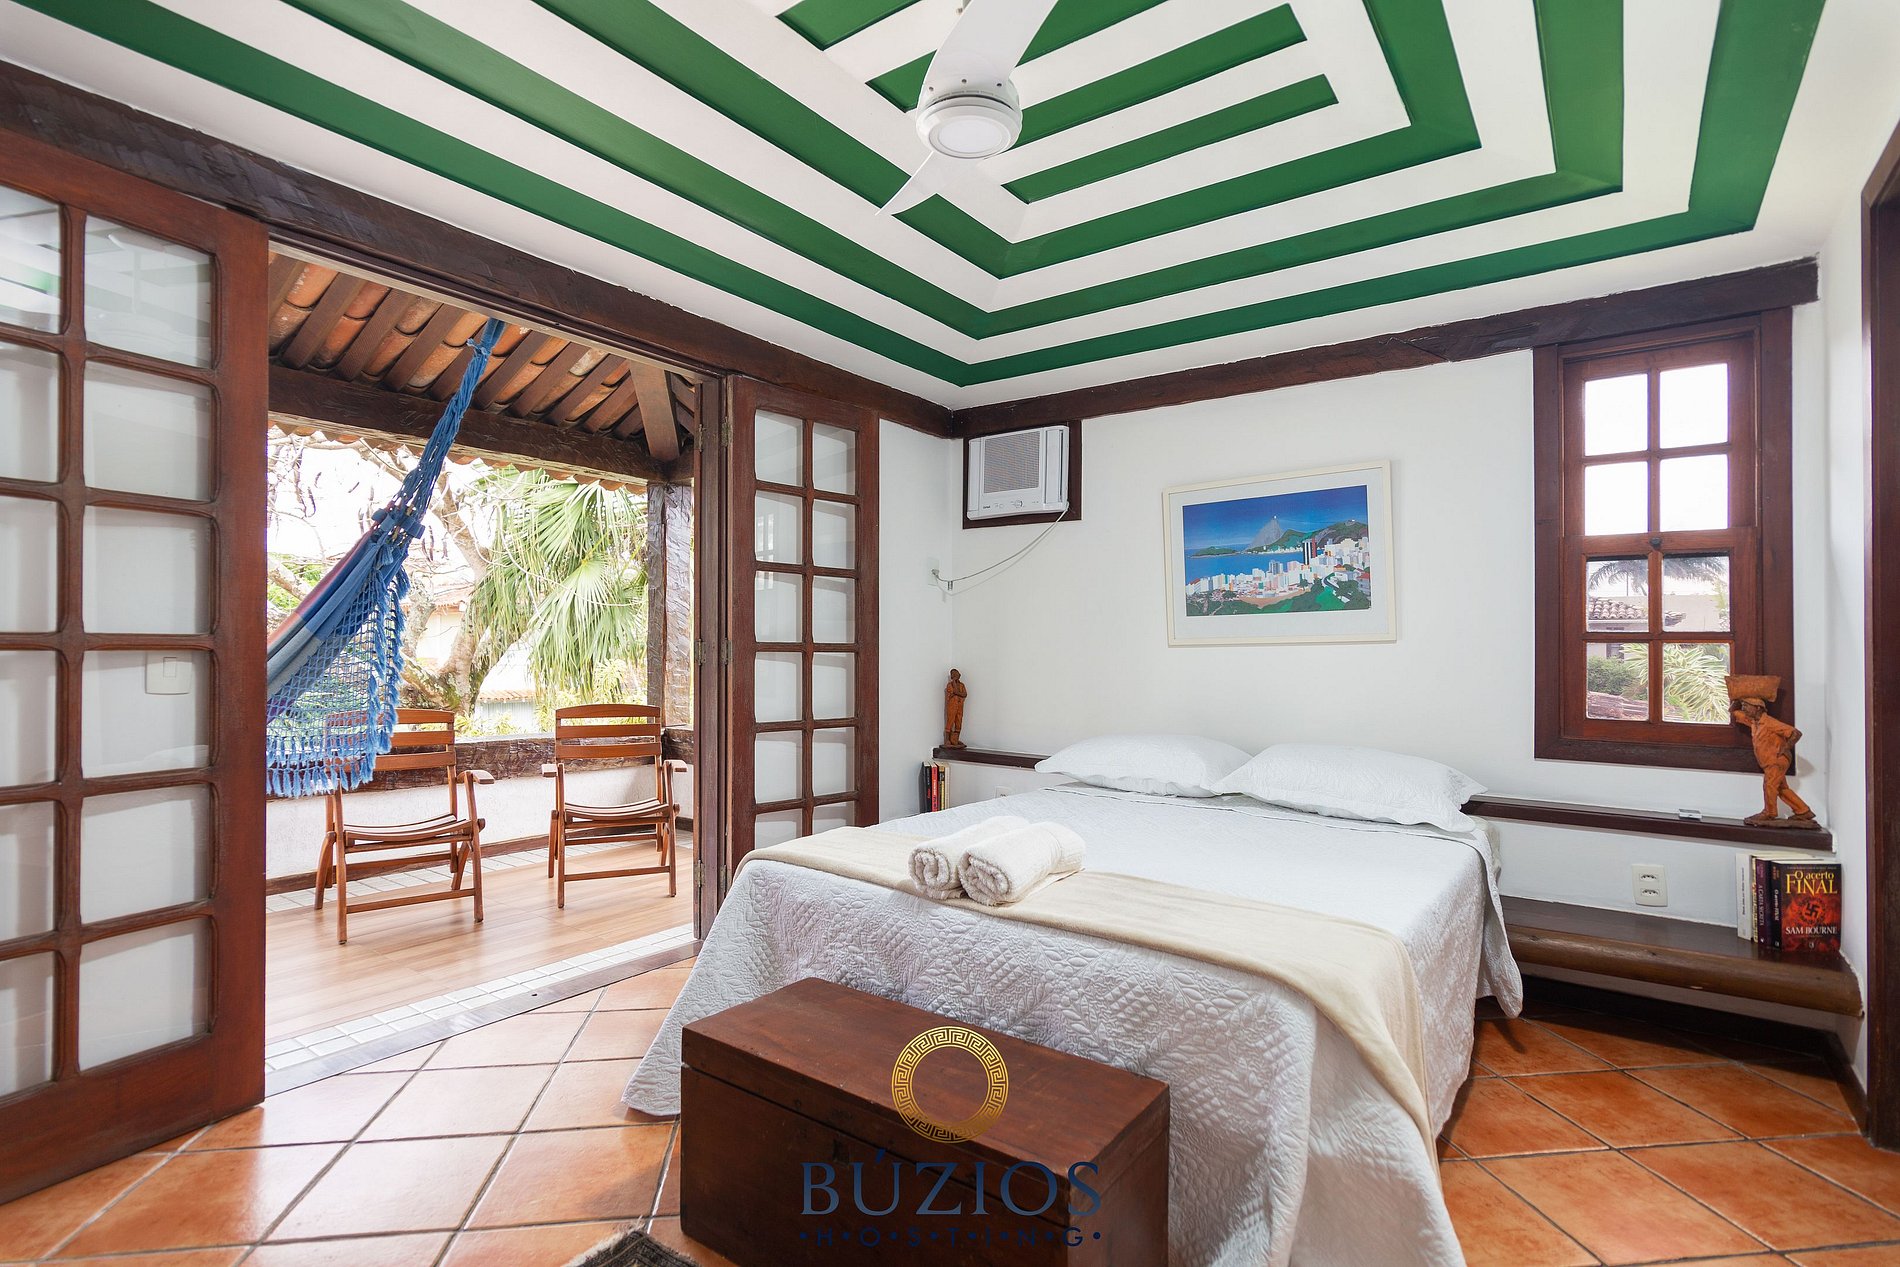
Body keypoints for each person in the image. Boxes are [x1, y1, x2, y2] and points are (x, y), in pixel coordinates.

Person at [1731, 694, 1817, 826]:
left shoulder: (1770, 723)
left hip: (1776, 761)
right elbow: (1734, 713)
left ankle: (1769, 813)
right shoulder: (1753, 722)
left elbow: (1795, 733)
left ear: (1758, 708)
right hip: (1769, 762)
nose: (1744, 709)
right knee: (1781, 788)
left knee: (1770, 786)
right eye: (1743, 706)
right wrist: (1736, 700)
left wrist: (1785, 748)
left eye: (1747, 706)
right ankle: (1803, 811)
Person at [943, 669, 967, 750]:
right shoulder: (950, 685)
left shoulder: (962, 685)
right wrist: (953, 682)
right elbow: (956, 692)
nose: (955, 676)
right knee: (950, 721)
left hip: (960, 705)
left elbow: (965, 694)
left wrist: (958, 693)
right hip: (952, 705)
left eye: (956, 674)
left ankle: (955, 740)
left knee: (959, 721)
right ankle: (947, 740)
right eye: (953, 674)